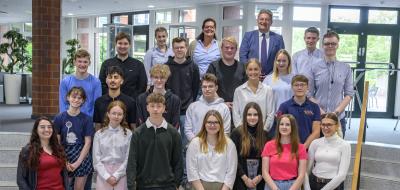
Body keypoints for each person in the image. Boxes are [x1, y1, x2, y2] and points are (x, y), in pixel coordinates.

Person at [127, 93, 183, 190]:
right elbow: (132, 161)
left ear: (164, 108)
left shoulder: (173, 133)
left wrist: (176, 184)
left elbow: (178, 162)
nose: (155, 109)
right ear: (147, 108)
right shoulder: (138, 133)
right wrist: (131, 186)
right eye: (152, 106)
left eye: (159, 106)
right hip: (143, 185)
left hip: (168, 186)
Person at [305, 31, 354, 137]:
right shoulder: (314, 67)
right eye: (327, 44)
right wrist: (322, 112)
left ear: (338, 45)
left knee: (337, 151)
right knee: (316, 150)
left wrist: (335, 113)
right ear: (322, 46)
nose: (330, 46)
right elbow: (308, 94)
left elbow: (349, 94)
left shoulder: (346, 68)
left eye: (333, 43)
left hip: (338, 118)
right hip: (318, 117)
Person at [54, 87, 94, 190]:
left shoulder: (87, 119)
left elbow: (88, 142)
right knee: (65, 187)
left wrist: (77, 163)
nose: (76, 100)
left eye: (79, 98)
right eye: (74, 97)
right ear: (68, 97)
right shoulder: (59, 118)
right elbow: (57, 142)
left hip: (82, 155)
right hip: (65, 154)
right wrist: (64, 160)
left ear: (83, 100)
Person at [186, 110, 238, 190]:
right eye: (209, 122)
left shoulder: (229, 144)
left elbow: (231, 172)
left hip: (222, 187)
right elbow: (192, 170)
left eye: (216, 122)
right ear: (204, 124)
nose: (212, 125)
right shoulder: (195, 143)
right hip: (199, 186)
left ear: (220, 124)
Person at [17, 117, 69, 190]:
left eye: (49, 127)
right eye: (42, 127)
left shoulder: (58, 149)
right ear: (36, 130)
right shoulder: (28, 150)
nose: (46, 129)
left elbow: (63, 174)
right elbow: (21, 179)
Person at [165, 37, 200, 144]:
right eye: (176, 48)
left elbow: (195, 88)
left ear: (186, 48)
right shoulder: (166, 66)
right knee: (170, 142)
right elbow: (164, 87)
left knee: (186, 143)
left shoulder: (193, 66)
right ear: (173, 49)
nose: (179, 50)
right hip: (169, 110)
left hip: (186, 111)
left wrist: (190, 103)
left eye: (181, 47)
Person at [93, 100, 132, 190]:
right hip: (103, 174)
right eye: (113, 113)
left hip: (122, 173)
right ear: (108, 114)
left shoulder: (129, 134)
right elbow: (96, 159)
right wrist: (107, 176)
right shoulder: (99, 134)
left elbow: (128, 158)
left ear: (123, 116)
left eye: (119, 114)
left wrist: (116, 175)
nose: (116, 116)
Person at [261, 114, 307, 190]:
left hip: (293, 186)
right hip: (272, 186)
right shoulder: (269, 145)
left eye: (287, 125)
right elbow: (265, 172)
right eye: (281, 124)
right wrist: (275, 189)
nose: (284, 127)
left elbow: (302, 175)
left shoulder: (301, 148)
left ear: (293, 127)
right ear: (278, 126)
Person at [306, 113, 350, 190]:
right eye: (323, 124)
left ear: (336, 126)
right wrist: (307, 188)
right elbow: (306, 170)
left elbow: (342, 175)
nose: (325, 128)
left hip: (334, 186)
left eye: (329, 125)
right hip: (313, 183)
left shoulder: (344, 145)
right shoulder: (315, 143)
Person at [230, 102, 269, 190]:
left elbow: (267, 159)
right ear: (244, 116)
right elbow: (233, 159)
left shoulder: (265, 134)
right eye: (249, 115)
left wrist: (259, 177)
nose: (252, 117)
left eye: (255, 115)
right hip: (240, 179)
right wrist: (245, 178)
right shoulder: (236, 133)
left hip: (260, 180)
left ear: (259, 116)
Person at [276, 75, 321, 148]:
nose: (299, 88)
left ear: (307, 87)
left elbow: (316, 132)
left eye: (302, 85)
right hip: (288, 148)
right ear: (292, 87)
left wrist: (304, 147)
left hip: (309, 148)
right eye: (296, 85)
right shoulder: (284, 106)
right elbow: (279, 129)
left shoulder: (314, 107)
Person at [99, 32, 147, 99]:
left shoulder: (138, 65)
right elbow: (102, 84)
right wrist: (111, 97)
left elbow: (142, 86)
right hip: (111, 103)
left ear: (129, 45)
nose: (122, 46)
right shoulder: (106, 64)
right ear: (115, 45)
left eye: (125, 44)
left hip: (132, 104)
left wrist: (132, 100)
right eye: (120, 43)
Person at [185, 73, 231, 141]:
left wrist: (215, 145)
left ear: (216, 88)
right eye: (204, 87)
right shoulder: (192, 107)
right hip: (197, 146)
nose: (207, 89)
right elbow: (188, 130)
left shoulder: (224, 108)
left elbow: (226, 132)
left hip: (217, 147)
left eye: (210, 86)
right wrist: (197, 144)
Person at [239, 9, 285, 78]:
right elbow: (243, 56)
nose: (264, 21)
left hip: (272, 78)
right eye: (261, 19)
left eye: (267, 19)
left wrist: (270, 76)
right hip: (251, 77)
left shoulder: (278, 38)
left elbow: (281, 59)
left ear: (271, 22)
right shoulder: (248, 36)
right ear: (257, 20)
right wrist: (252, 72)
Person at [233, 59, 275, 131]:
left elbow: (271, 114)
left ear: (260, 70)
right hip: (243, 133)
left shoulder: (268, 90)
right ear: (246, 71)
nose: (253, 72)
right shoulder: (239, 91)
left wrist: (264, 130)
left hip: (262, 132)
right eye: (250, 69)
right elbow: (236, 114)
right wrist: (242, 132)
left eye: (256, 69)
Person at [206, 36, 247, 110]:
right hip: (217, 107)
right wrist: (222, 103)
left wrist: (237, 103)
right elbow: (208, 88)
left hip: (238, 108)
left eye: (232, 48)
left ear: (236, 50)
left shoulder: (242, 67)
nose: (229, 50)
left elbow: (246, 89)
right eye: (226, 47)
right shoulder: (213, 66)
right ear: (221, 49)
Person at [59, 49, 101, 117]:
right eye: (79, 61)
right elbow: (63, 105)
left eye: (85, 62)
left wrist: (90, 121)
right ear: (74, 62)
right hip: (70, 120)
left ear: (89, 63)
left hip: (88, 121)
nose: (82, 64)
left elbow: (96, 105)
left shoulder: (96, 82)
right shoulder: (65, 82)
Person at [93, 66, 136, 130]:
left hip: (125, 138)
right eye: (110, 77)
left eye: (116, 77)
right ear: (106, 80)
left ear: (121, 81)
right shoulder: (99, 102)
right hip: (104, 138)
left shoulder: (130, 102)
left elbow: (133, 127)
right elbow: (97, 126)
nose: (112, 80)